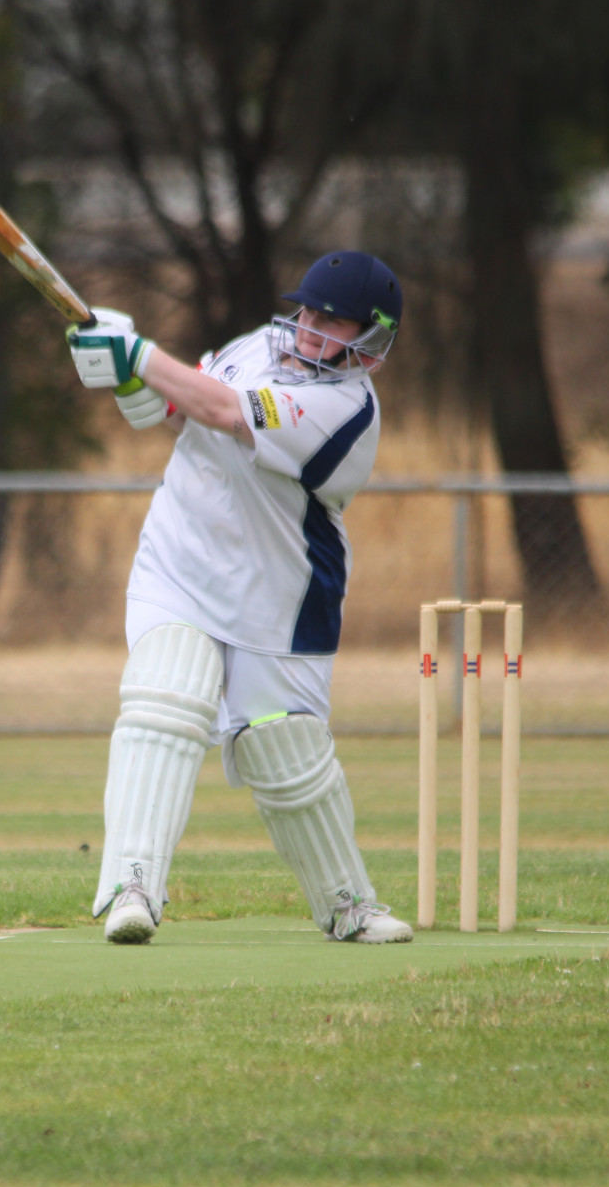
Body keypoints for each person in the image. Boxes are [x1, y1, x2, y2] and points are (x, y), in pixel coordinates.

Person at [66, 251, 413, 945]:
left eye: (328, 320)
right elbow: (189, 405)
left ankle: (348, 903)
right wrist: (138, 389)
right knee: (164, 699)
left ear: (370, 346)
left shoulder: (347, 411)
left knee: (282, 748)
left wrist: (136, 351)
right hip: (180, 563)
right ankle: (133, 884)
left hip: (277, 597)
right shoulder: (257, 344)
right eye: (305, 310)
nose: (306, 326)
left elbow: (226, 412)